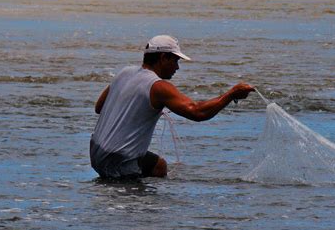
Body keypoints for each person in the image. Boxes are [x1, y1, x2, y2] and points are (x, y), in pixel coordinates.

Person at [90, 35, 254, 179]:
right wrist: (231, 94)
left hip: (96, 152)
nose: (177, 67)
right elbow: (197, 112)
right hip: (119, 159)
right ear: (163, 58)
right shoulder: (158, 86)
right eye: (175, 60)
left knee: (158, 166)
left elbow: (99, 107)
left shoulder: (125, 72)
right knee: (141, 204)